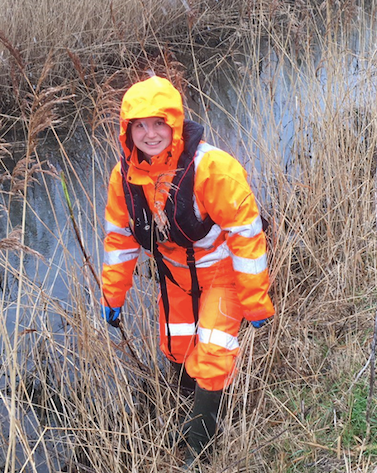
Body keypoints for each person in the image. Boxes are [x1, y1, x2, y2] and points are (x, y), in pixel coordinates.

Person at [100, 75, 275, 467]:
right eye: (139, 125)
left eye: (158, 123)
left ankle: (200, 450)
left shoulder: (212, 168)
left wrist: (255, 302)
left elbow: (247, 238)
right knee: (178, 348)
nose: (150, 134)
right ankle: (198, 415)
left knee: (212, 354)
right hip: (175, 278)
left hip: (221, 276)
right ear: (127, 131)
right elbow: (119, 241)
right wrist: (113, 296)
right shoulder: (123, 179)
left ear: (175, 124)